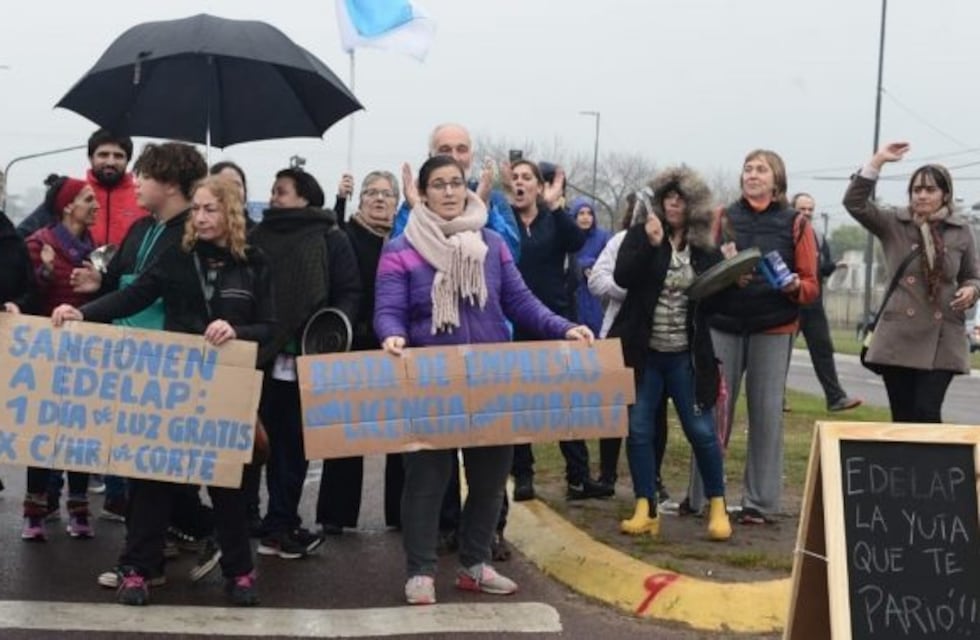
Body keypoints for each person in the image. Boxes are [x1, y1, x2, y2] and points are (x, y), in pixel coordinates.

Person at [374, 155, 594, 605]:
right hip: (431, 381)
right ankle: (420, 572)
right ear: (424, 192)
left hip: (491, 378)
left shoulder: (492, 244)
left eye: (457, 183)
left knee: (491, 479)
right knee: (426, 481)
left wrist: (563, 327)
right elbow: (389, 308)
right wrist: (392, 334)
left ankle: (475, 564)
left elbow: (521, 301)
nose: (450, 192)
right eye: (439, 185)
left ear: (468, 188)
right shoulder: (402, 247)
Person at [52, 174, 275, 607]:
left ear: (231, 211)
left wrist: (238, 329)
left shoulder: (255, 262)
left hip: (227, 386)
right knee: (154, 478)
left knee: (229, 482)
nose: (202, 217)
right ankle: (138, 569)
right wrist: (83, 314)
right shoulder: (179, 256)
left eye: (212, 208)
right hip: (175, 384)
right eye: (198, 209)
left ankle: (240, 572)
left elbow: (270, 325)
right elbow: (135, 295)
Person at [68, 142, 219, 586]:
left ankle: (141, 562)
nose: (135, 183)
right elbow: (119, 284)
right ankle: (205, 531)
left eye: (145, 175)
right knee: (142, 467)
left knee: (151, 468)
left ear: (170, 184)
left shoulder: (190, 237)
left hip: (168, 365)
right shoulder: (140, 230)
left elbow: (149, 292)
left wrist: (87, 310)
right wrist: (98, 284)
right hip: (124, 362)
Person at [689, 149, 819, 525]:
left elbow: (812, 286)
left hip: (773, 326)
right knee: (712, 412)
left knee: (765, 415)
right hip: (724, 323)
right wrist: (727, 275)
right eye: (748, 169)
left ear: (777, 179)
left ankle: (760, 503)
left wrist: (795, 286)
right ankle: (703, 496)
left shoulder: (796, 223)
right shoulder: (722, 217)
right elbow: (704, 265)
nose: (753, 175)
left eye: (761, 169)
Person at [609, 166, 732, 541]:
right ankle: (645, 506)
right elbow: (622, 278)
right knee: (641, 430)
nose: (674, 203)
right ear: (660, 202)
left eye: (681, 198)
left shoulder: (704, 246)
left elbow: (715, 304)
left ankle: (717, 505)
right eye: (668, 197)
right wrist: (649, 243)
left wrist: (733, 273)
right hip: (645, 356)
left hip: (686, 357)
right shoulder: (641, 234)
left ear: (693, 205)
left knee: (701, 431)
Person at [248, 168, 361, 558]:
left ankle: (281, 522)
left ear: (305, 197)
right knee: (256, 442)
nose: (274, 198)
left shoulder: (331, 238)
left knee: (294, 446)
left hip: (307, 359)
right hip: (260, 357)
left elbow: (348, 291)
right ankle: (249, 518)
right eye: (273, 191)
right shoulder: (257, 237)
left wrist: (328, 332)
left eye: (281, 191)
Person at [843, 142, 980, 422]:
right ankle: (902, 468)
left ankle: (938, 468)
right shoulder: (894, 223)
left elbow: (972, 275)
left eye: (930, 189)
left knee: (927, 412)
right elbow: (854, 203)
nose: (922, 195)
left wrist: (971, 289)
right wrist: (878, 161)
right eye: (917, 189)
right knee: (904, 416)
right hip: (899, 337)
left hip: (943, 337)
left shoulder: (961, 230)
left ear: (945, 194)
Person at [509, 160, 605, 502]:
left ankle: (578, 477)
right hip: (516, 323)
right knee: (519, 402)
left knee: (566, 400)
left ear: (538, 185)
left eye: (527, 178)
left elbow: (577, 241)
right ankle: (523, 474)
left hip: (556, 320)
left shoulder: (553, 218)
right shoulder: (504, 221)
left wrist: (555, 206)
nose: (520, 183)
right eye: (515, 178)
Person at [316, 170, 404, 534]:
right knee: (347, 434)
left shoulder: (405, 241)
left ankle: (400, 514)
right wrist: (338, 199)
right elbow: (327, 240)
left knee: (400, 436)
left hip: (395, 346)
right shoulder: (345, 235)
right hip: (353, 343)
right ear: (360, 200)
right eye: (371, 193)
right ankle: (336, 516)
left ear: (398, 204)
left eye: (386, 194)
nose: (379, 199)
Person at [21, 177, 101, 540]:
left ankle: (79, 507)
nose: (96, 205)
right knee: (41, 432)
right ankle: (35, 513)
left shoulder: (92, 246)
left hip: (85, 353)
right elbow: (25, 293)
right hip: (46, 354)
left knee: (81, 432)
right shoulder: (40, 243)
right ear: (68, 206)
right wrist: (47, 271)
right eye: (88, 199)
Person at [391, 123, 521, 260]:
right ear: (430, 157)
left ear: (471, 157)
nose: (454, 157)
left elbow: (512, 255)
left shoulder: (494, 199)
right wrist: (420, 211)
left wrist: (482, 208)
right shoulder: (416, 200)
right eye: (445, 150)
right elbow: (396, 254)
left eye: (462, 149)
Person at [790, 193, 862, 412]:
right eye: (802, 209)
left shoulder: (818, 237)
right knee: (778, 353)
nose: (807, 213)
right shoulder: (784, 234)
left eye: (810, 209)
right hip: (789, 303)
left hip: (813, 304)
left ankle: (835, 397)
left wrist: (834, 266)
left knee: (823, 349)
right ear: (792, 210)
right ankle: (774, 397)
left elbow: (818, 270)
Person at [18, 129, 148, 246]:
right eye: (103, 155)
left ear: (128, 160)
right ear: (91, 158)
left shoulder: (144, 197)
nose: (110, 162)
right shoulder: (72, 194)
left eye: (118, 156)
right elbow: (20, 237)